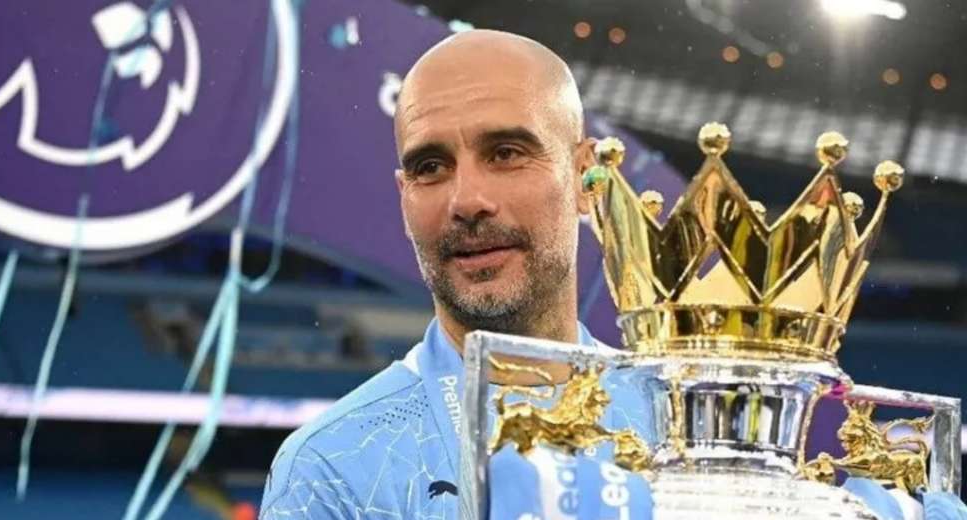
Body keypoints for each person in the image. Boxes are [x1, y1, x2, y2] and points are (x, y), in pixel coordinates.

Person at [260, 29, 967, 520]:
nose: (466, 199)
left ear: (586, 178)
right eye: (429, 166)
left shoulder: (689, 422)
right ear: (403, 196)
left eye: (506, 153)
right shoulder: (332, 467)